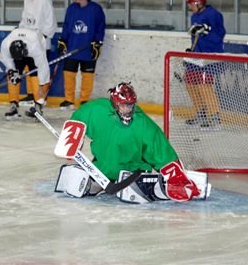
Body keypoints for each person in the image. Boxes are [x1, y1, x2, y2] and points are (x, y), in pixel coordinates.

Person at [55, 82, 208, 202]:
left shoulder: (143, 124)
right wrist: (71, 139)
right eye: (124, 105)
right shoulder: (97, 110)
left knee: (138, 192)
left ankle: (152, 187)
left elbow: (160, 149)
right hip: (103, 170)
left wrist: (177, 178)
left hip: (133, 172)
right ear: (115, 103)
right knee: (79, 186)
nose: (128, 109)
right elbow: (79, 117)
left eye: (131, 105)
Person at [57, 0, 106, 110]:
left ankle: (84, 101)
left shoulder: (96, 9)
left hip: (88, 49)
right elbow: (67, 26)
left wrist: (97, 43)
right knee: (68, 74)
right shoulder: (72, 8)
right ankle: (69, 100)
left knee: (87, 76)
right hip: (72, 48)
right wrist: (63, 40)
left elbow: (100, 27)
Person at [184, 0, 225, 128]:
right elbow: (196, 37)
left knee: (204, 85)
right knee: (190, 82)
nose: (190, 7)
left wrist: (208, 31)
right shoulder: (194, 17)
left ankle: (214, 117)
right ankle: (201, 113)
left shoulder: (214, 14)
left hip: (210, 56)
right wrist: (192, 49)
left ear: (198, 2)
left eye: (191, 3)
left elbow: (219, 35)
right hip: (196, 55)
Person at [17, 0, 57, 105]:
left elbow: (51, 22)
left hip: (40, 43)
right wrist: (20, 33)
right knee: (29, 69)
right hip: (28, 42)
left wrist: (42, 37)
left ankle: (40, 98)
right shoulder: (27, 0)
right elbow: (24, 20)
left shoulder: (45, 1)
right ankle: (31, 95)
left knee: (40, 71)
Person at [0, 27, 51, 119]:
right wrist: (12, 69)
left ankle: (38, 106)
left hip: (35, 48)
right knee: (13, 77)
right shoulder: (5, 44)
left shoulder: (35, 47)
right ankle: (13, 105)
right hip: (21, 46)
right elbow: (6, 59)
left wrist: (42, 86)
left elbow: (44, 69)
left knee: (36, 77)